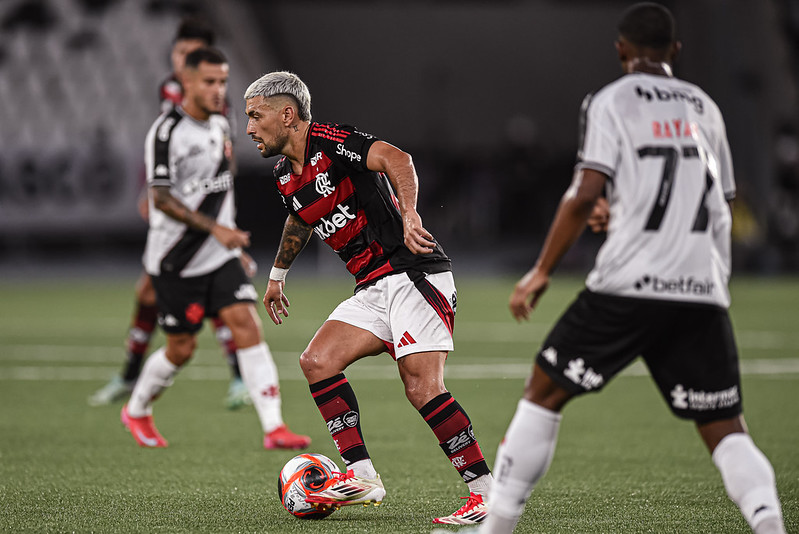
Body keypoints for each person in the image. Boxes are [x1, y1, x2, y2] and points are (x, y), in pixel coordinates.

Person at [482, 4, 787, 533]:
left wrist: (541, 271)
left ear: (621, 50)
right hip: (700, 289)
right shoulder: (706, 108)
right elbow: (721, 198)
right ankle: (770, 524)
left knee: (544, 391)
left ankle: (496, 527)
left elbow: (582, 195)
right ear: (675, 50)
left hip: (629, 284)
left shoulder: (612, 101)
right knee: (725, 428)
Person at [244, 71, 493, 525]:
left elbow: (397, 158)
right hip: (372, 287)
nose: (249, 128)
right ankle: (362, 477)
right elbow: (300, 218)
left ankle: (485, 492)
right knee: (316, 361)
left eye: (256, 116)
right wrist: (278, 274)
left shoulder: (331, 139)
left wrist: (410, 212)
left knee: (421, 387)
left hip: (414, 272)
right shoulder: (284, 176)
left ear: (288, 114)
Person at [120, 48, 310, 451]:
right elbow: (163, 199)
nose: (218, 89)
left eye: (223, 81)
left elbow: (222, 186)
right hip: (176, 259)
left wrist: (230, 238)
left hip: (219, 254)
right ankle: (136, 410)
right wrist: (216, 231)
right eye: (209, 81)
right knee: (181, 348)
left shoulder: (223, 123)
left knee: (247, 326)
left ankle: (274, 427)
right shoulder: (166, 131)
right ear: (186, 83)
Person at [88, 18, 252, 410]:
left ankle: (232, 377)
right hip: (179, 211)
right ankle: (132, 376)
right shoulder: (170, 90)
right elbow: (167, 145)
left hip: (199, 211)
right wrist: (156, 189)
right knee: (153, 292)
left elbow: (223, 166)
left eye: (188, 54)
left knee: (208, 289)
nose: (180, 60)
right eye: (178, 53)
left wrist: (216, 222)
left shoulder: (216, 104)